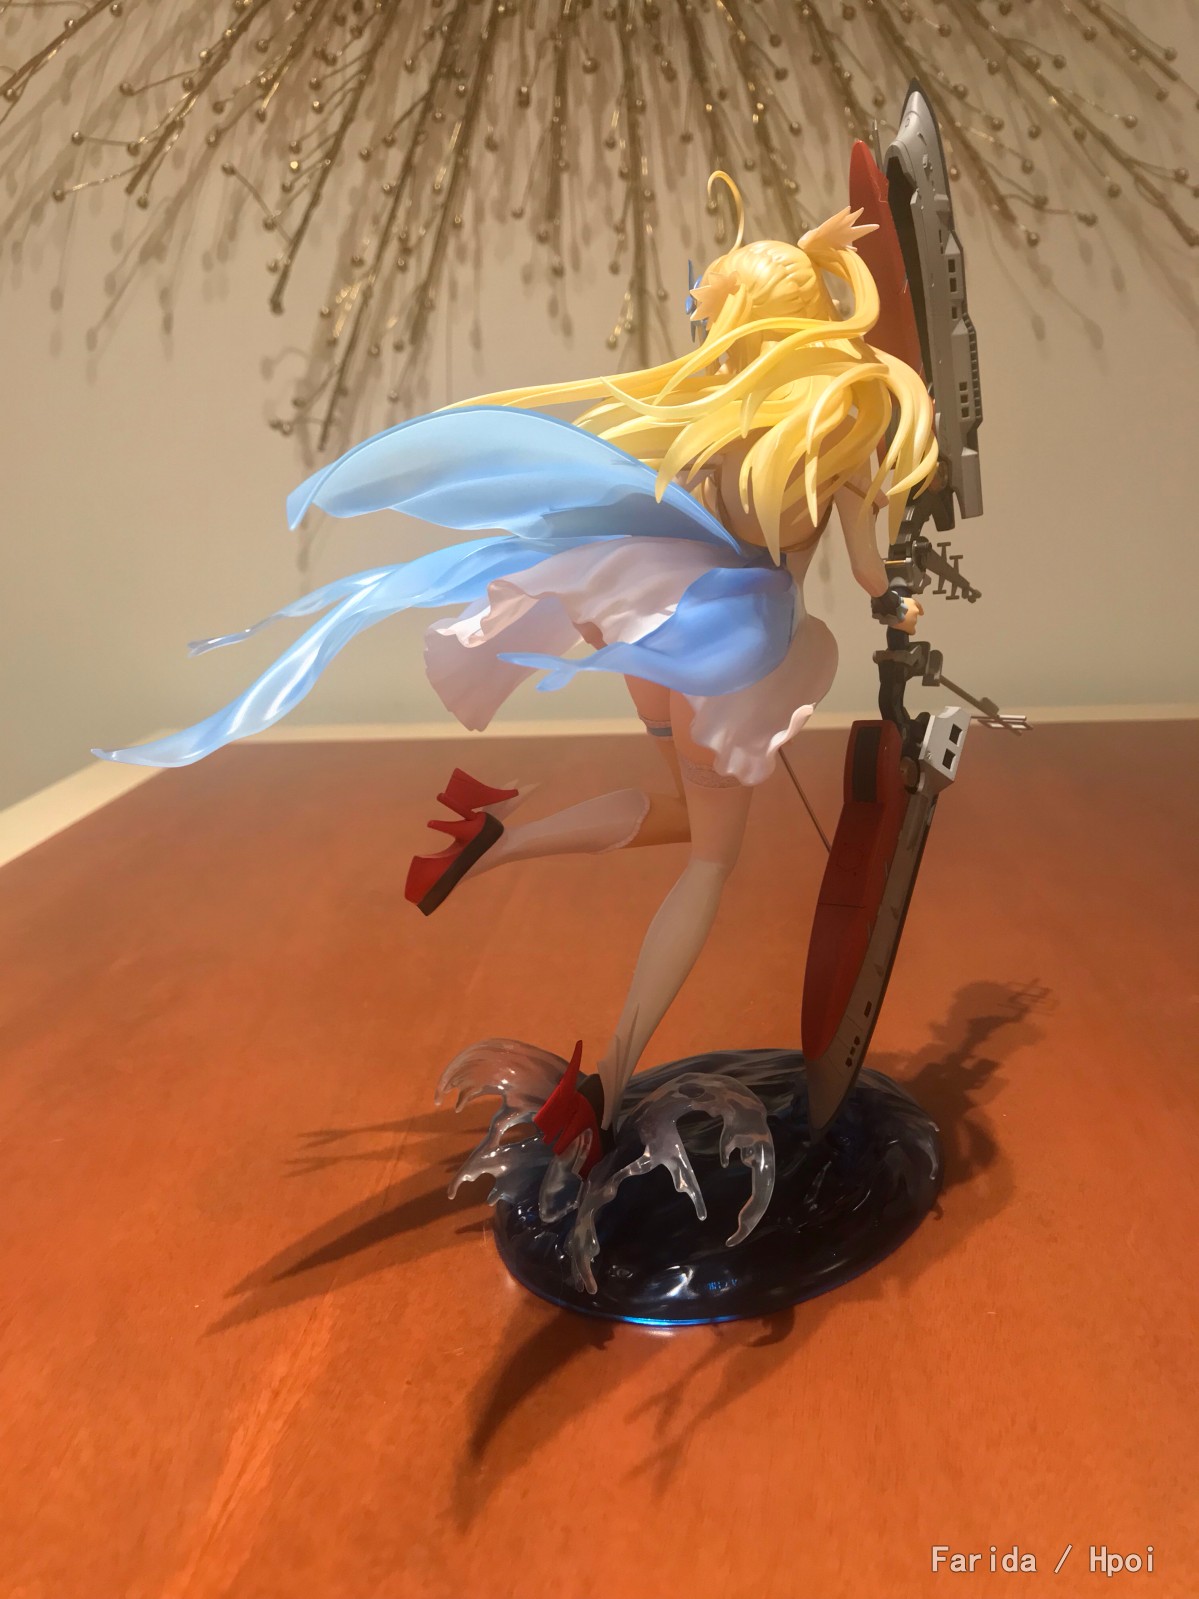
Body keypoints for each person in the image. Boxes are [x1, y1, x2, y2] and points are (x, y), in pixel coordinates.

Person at [97, 175, 937, 1168]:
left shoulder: (708, 418)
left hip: (649, 631)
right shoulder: (833, 434)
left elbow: (699, 426)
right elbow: (870, 574)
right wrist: (903, 601)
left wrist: (816, 257)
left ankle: (491, 842)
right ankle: (606, 1085)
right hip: (723, 652)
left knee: (683, 813)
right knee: (709, 864)